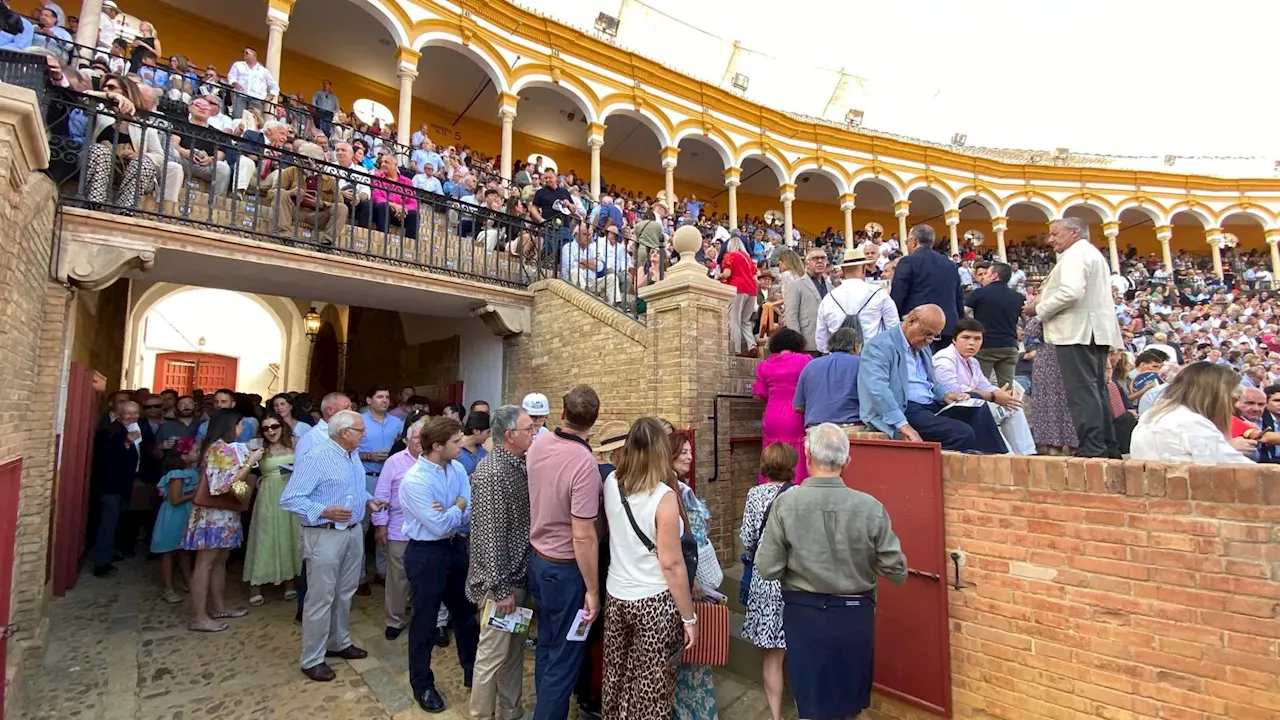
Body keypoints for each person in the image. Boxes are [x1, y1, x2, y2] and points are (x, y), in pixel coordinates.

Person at [755, 423, 907, 720]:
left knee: (811, 706)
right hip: (854, 614)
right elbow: (897, 570)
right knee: (848, 705)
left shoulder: (785, 504)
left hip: (805, 617)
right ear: (846, 461)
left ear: (807, 456)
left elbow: (767, 567)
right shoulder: (870, 507)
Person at [600, 417, 698, 720]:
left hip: (616, 596)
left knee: (616, 676)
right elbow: (671, 564)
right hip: (653, 601)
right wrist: (689, 617)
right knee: (652, 686)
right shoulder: (663, 497)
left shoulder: (611, 482)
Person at [279, 410, 386, 682]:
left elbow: (351, 487)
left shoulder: (351, 456)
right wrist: (323, 511)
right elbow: (290, 499)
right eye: (361, 430)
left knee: (345, 591)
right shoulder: (316, 458)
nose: (365, 434)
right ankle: (312, 658)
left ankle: (339, 642)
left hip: (351, 532)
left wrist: (368, 500)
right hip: (323, 534)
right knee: (320, 597)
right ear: (344, 432)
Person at [527, 385, 601, 720]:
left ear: (561, 413)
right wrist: (593, 589)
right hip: (566, 569)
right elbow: (583, 534)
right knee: (565, 656)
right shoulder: (583, 462)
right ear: (594, 421)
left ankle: (543, 707)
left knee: (547, 644)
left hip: (538, 561)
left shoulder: (539, 444)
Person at [399, 416, 480, 713]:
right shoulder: (415, 480)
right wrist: (456, 506)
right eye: (456, 442)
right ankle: (422, 684)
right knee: (424, 622)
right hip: (426, 555)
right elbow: (437, 524)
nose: (462, 445)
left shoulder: (457, 468)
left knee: (466, 614)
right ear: (437, 446)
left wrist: (454, 509)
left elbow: (469, 511)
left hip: (455, 549)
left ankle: (473, 672)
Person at [1027, 218, 1124, 458]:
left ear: (1074, 232)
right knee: (1096, 390)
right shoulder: (1090, 253)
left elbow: (1070, 292)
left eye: (1055, 234)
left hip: (1076, 332)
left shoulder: (1074, 254)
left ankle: (1092, 448)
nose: (1051, 240)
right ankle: (1106, 446)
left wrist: (1038, 309)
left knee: (1081, 392)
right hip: (1093, 331)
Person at [858, 305, 1008, 453]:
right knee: (962, 433)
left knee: (977, 406)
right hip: (903, 407)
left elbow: (930, 382)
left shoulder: (922, 346)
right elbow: (878, 390)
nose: (929, 340)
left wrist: (945, 394)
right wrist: (903, 425)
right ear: (911, 322)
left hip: (929, 403)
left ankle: (999, 458)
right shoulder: (880, 346)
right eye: (927, 334)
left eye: (934, 336)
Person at [466, 405, 535, 720]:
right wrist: (502, 588)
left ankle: (511, 710)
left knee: (512, 654)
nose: (533, 434)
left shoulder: (516, 464)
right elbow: (490, 536)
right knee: (492, 654)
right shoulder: (493, 473)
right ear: (510, 435)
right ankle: (481, 715)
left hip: (517, 580)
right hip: (501, 586)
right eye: (528, 429)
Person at [184, 408, 262, 633]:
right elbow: (222, 485)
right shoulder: (219, 448)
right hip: (213, 515)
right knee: (205, 563)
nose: (241, 429)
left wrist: (243, 494)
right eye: (239, 425)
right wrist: (250, 464)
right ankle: (199, 617)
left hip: (225, 513)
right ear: (231, 425)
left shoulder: (222, 448)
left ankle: (218, 607)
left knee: (219, 562)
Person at [739, 443, 796, 720]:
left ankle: (776, 716)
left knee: (772, 655)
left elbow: (748, 538)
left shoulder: (754, 495)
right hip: (795, 578)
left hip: (765, 578)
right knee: (799, 647)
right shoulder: (799, 495)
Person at [932, 318, 1036, 455]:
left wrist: (1000, 394)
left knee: (1012, 405)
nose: (971, 343)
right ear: (954, 339)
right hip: (949, 410)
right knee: (993, 406)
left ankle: (1026, 454)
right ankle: (1007, 456)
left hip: (971, 406)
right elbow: (953, 391)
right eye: (966, 337)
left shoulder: (973, 362)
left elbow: (985, 385)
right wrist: (993, 396)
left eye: (977, 339)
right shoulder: (944, 359)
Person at [670, 432, 718, 720]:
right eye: (683, 452)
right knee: (692, 656)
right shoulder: (674, 491)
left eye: (690, 451)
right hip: (689, 581)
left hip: (689, 578)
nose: (689, 456)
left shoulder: (679, 487)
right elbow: (686, 542)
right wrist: (694, 580)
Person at [1130, 362, 1255, 464]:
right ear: (1216, 395)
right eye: (1231, 397)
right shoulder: (1191, 422)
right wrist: (1230, 448)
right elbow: (1244, 469)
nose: (1235, 404)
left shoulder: (1153, 414)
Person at [372, 414, 427, 640]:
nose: (420, 442)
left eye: (424, 438)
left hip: (428, 531)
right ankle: (395, 619)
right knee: (398, 579)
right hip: (399, 529)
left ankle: (422, 619)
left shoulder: (435, 461)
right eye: (416, 439)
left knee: (424, 579)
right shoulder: (394, 463)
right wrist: (380, 526)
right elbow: (382, 495)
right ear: (406, 440)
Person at [242, 415, 299, 606]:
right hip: (267, 495)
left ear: (282, 427)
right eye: (266, 428)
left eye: (274, 426)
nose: (271, 431)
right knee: (264, 536)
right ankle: (255, 584)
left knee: (288, 535)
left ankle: (289, 581)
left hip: (290, 493)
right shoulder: (257, 447)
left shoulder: (295, 444)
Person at [890, 225, 965, 352]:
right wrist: (959, 324)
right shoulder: (950, 264)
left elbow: (899, 294)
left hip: (920, 328)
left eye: (907, 241)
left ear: (914, 242)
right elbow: (958, 297)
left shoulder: (908, 262)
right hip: (948, 326)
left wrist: (893, 322)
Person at [753, 328, 811, 483]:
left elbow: (759, 394)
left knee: (772, 454)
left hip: (773, 416)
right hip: (797, 414)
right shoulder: (805, 361)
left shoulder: (764, 366)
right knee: (796, 456)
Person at [815, 246, 898, 353]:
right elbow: (893, 329)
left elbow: (821, 341)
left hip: (840, 360)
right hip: (873, 356)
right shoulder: (879, 294)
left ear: (843, 270)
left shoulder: (828, 299)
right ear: (864, 268)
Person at [92, 400, 141, 578]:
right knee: (108, 524)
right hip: (111, 486)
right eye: (128, 413)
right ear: (118, 413)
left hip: (123, 486)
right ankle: (102, 564)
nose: (132, 416)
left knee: (116, 522)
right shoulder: (111, 432)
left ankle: (109, 553)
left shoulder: (133, 428)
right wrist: (127, 443)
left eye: (135, 412)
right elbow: (107, 458)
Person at [966, 261, 1025, 388]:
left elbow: (962, 313)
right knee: (1007, 387)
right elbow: (1026, 319)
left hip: (986, 345)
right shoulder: (1018, 296)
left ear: (994, 275)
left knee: (980, 386)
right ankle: (1009, 407)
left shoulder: (979, 293)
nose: (983, 277)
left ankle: (982, 407)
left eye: (986, 273)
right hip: (1009, 346)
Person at [793, 327, 863, 428]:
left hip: (815, 429)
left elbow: (798, 407)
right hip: (851, 427)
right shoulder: (861, 364)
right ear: (856, 346)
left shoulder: (811, 365)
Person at [782, 247, 833, 351]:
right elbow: (791, 315)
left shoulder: (830, 286)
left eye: (823, 258)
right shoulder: (796, 285)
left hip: (827, 343)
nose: (820, 261)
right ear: (807, 263)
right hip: (806, 342)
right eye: (815, 258)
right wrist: (796, 342)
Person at [721, 237, 760, 356]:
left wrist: (718, 276)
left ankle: (736, 348)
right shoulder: (748, 258)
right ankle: (751, 345)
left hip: (737, 288)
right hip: (752, 290)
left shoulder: (730, 255)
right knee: (745, 320)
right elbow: (756, 277)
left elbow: (727, 274)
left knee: (734, 319)